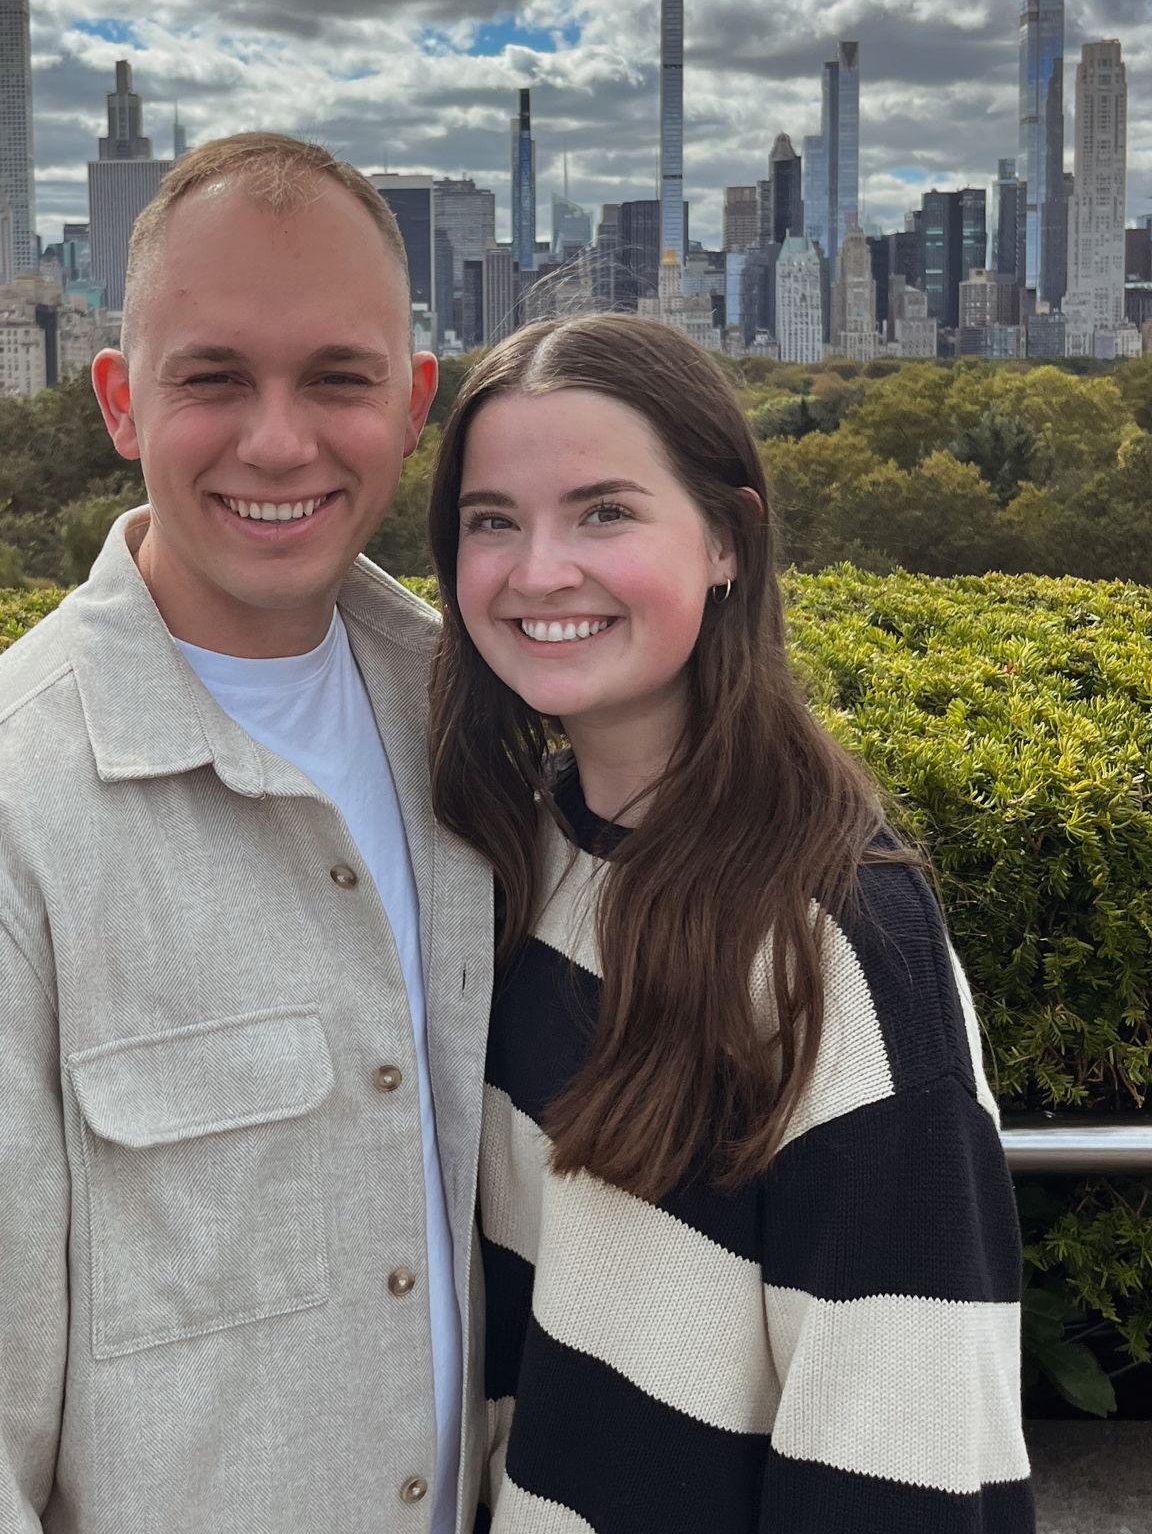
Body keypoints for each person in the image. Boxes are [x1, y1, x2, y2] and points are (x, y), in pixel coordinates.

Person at [0, 134, 494, 1533]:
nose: (278, 440)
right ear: (120, 400)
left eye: (337, 379)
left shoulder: (475, 729)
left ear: (414, 403)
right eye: (213, 378)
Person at [427, 315, 1034, 1534]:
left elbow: (902, 1460)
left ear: (725, 539)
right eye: (491, 519)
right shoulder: (515, 853)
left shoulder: (836, 942)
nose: (537, 569)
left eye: (603, 511)